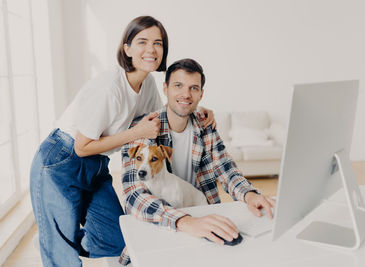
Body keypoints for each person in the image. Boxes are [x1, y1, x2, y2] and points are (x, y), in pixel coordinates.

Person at [30, 16, 215, 267]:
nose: (151, 49)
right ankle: (56, 240)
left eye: (158, 43)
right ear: (126, 48)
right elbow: (81, 147)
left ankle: (59, 236)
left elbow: (159, 120)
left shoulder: (147, 84)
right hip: (61, 159)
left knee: (118, 240)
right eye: (142, 42)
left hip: (96, 162)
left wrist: (196, 109)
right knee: (63, 257)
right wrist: (136, 133)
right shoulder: (110, 88)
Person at [119, 58, 275, 265]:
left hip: (202, 217)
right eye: (178, 86)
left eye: (194, 88)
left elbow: (225, 169)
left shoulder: (205, 125)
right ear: (165, 88)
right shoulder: (143, 127)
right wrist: (183, 221)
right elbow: (134, 195)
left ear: (201, 94)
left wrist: (248, 195)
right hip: (159, 222)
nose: (186, 94)